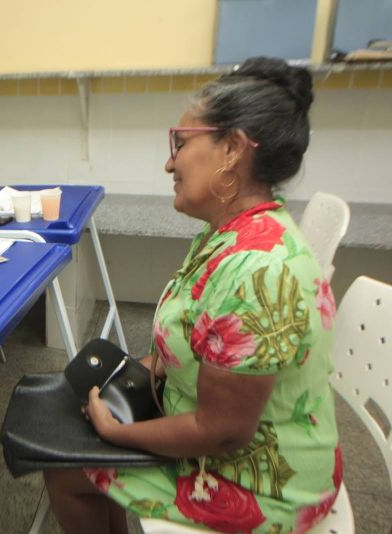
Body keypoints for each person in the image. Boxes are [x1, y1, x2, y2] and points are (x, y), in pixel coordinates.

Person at [44, 57, 341, 534]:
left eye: (179, 143)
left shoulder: (258, 271)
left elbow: (221, 432)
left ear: (233, 149)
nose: (169, 161)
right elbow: (201, 334)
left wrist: (115, 432)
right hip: (231, 440)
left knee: (66, 467)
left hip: (261, 483)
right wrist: (140, 374)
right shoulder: (231, 232)